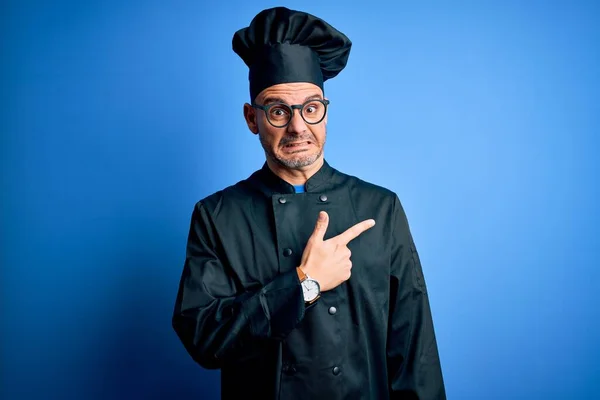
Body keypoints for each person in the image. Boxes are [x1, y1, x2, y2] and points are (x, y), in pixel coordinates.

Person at [172, 6, 446, 400]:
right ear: (252, 118)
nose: (298, 126)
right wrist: (303, 284)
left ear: (325, 112)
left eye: (311, 108)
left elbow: (415, 352)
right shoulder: (217, 215)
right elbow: (203, 339)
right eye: (279, 110)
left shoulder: (380, 208)